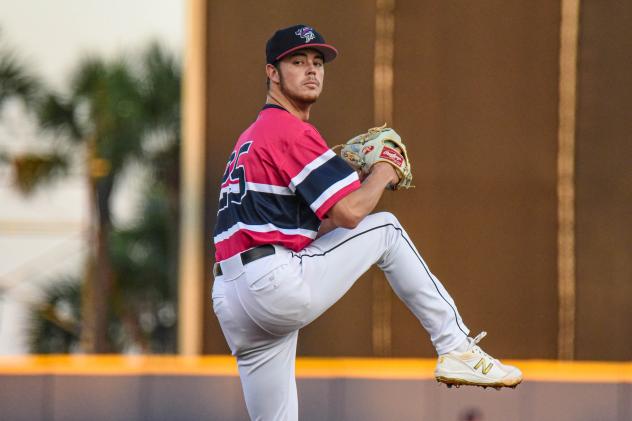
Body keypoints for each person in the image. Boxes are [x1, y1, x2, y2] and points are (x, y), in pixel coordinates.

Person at [211, 24, 522, 420]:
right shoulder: (290, 129)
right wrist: (384, 170)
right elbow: (352, 214)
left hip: (231, 296)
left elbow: (310, 226)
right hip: (272, 283)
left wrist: (357, 179)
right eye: (297, 61)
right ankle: (455, 346)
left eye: (317, 61)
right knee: (387, 230)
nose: (311, 70)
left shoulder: (251, 137)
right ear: (272, 72)